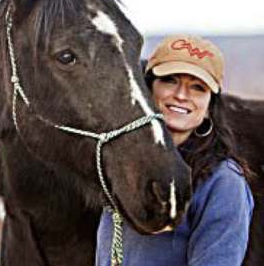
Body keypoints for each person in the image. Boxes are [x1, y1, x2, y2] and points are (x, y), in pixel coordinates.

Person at [95, 35, 254, 266]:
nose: (181, 95)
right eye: (170, 80)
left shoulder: (223, 181)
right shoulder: (124, 166)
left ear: (209, 107)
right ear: (148, 89)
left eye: (198, 88)